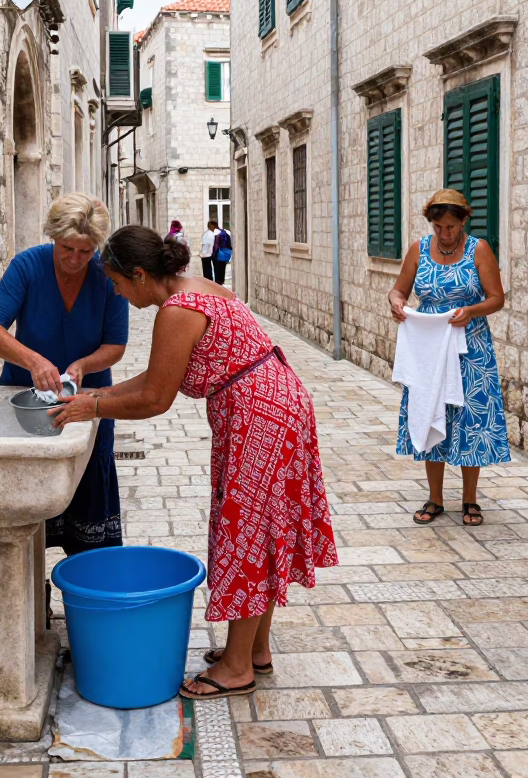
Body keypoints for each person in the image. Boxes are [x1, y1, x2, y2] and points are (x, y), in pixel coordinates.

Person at [51, 226, 337, 701]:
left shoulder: (177, 311)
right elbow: (160, 371)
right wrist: (99, 393)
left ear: (140, 275)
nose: (118, 294)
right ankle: (254, 649)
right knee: (259, 528)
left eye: (118, 285)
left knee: (245, 531)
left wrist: (93, 409)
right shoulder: (195, 288)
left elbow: (156, 398)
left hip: (258, 415)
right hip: (275, 402)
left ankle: (237, 667)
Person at [0, 194, 129, 555]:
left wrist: (83, 366)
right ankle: (30, 600)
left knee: (89, 495)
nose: (75, 260)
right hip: (24, 407)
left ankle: (87, 597)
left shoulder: (106, 276)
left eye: (85, 251)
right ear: (52, 237)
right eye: (67, 249)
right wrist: (32, 361)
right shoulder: (27, 267)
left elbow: (116, 345)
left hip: (86, 403)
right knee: (24, 507)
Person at [388, 189, 508, 527]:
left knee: (470, 419)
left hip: (470, 349)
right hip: (428, 348)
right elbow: (399, 289)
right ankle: (435, 498)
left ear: (464, 221)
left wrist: (471, 310)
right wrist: (396, 303)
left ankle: (470, 499)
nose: (445, 233)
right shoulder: (418, 250)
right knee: (430, 412)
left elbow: (496, 298)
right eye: (439, 226)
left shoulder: (478, 250)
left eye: (452, 227)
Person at [212, 223, 233, 287]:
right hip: (225, 254)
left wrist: (213, 255)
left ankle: (218, 283)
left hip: (218, 254)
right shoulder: (226, 234)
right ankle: (222, 281)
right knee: (223, 268)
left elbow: (216, 246)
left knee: (217, 269)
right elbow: (230, 246)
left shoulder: (217, 235)